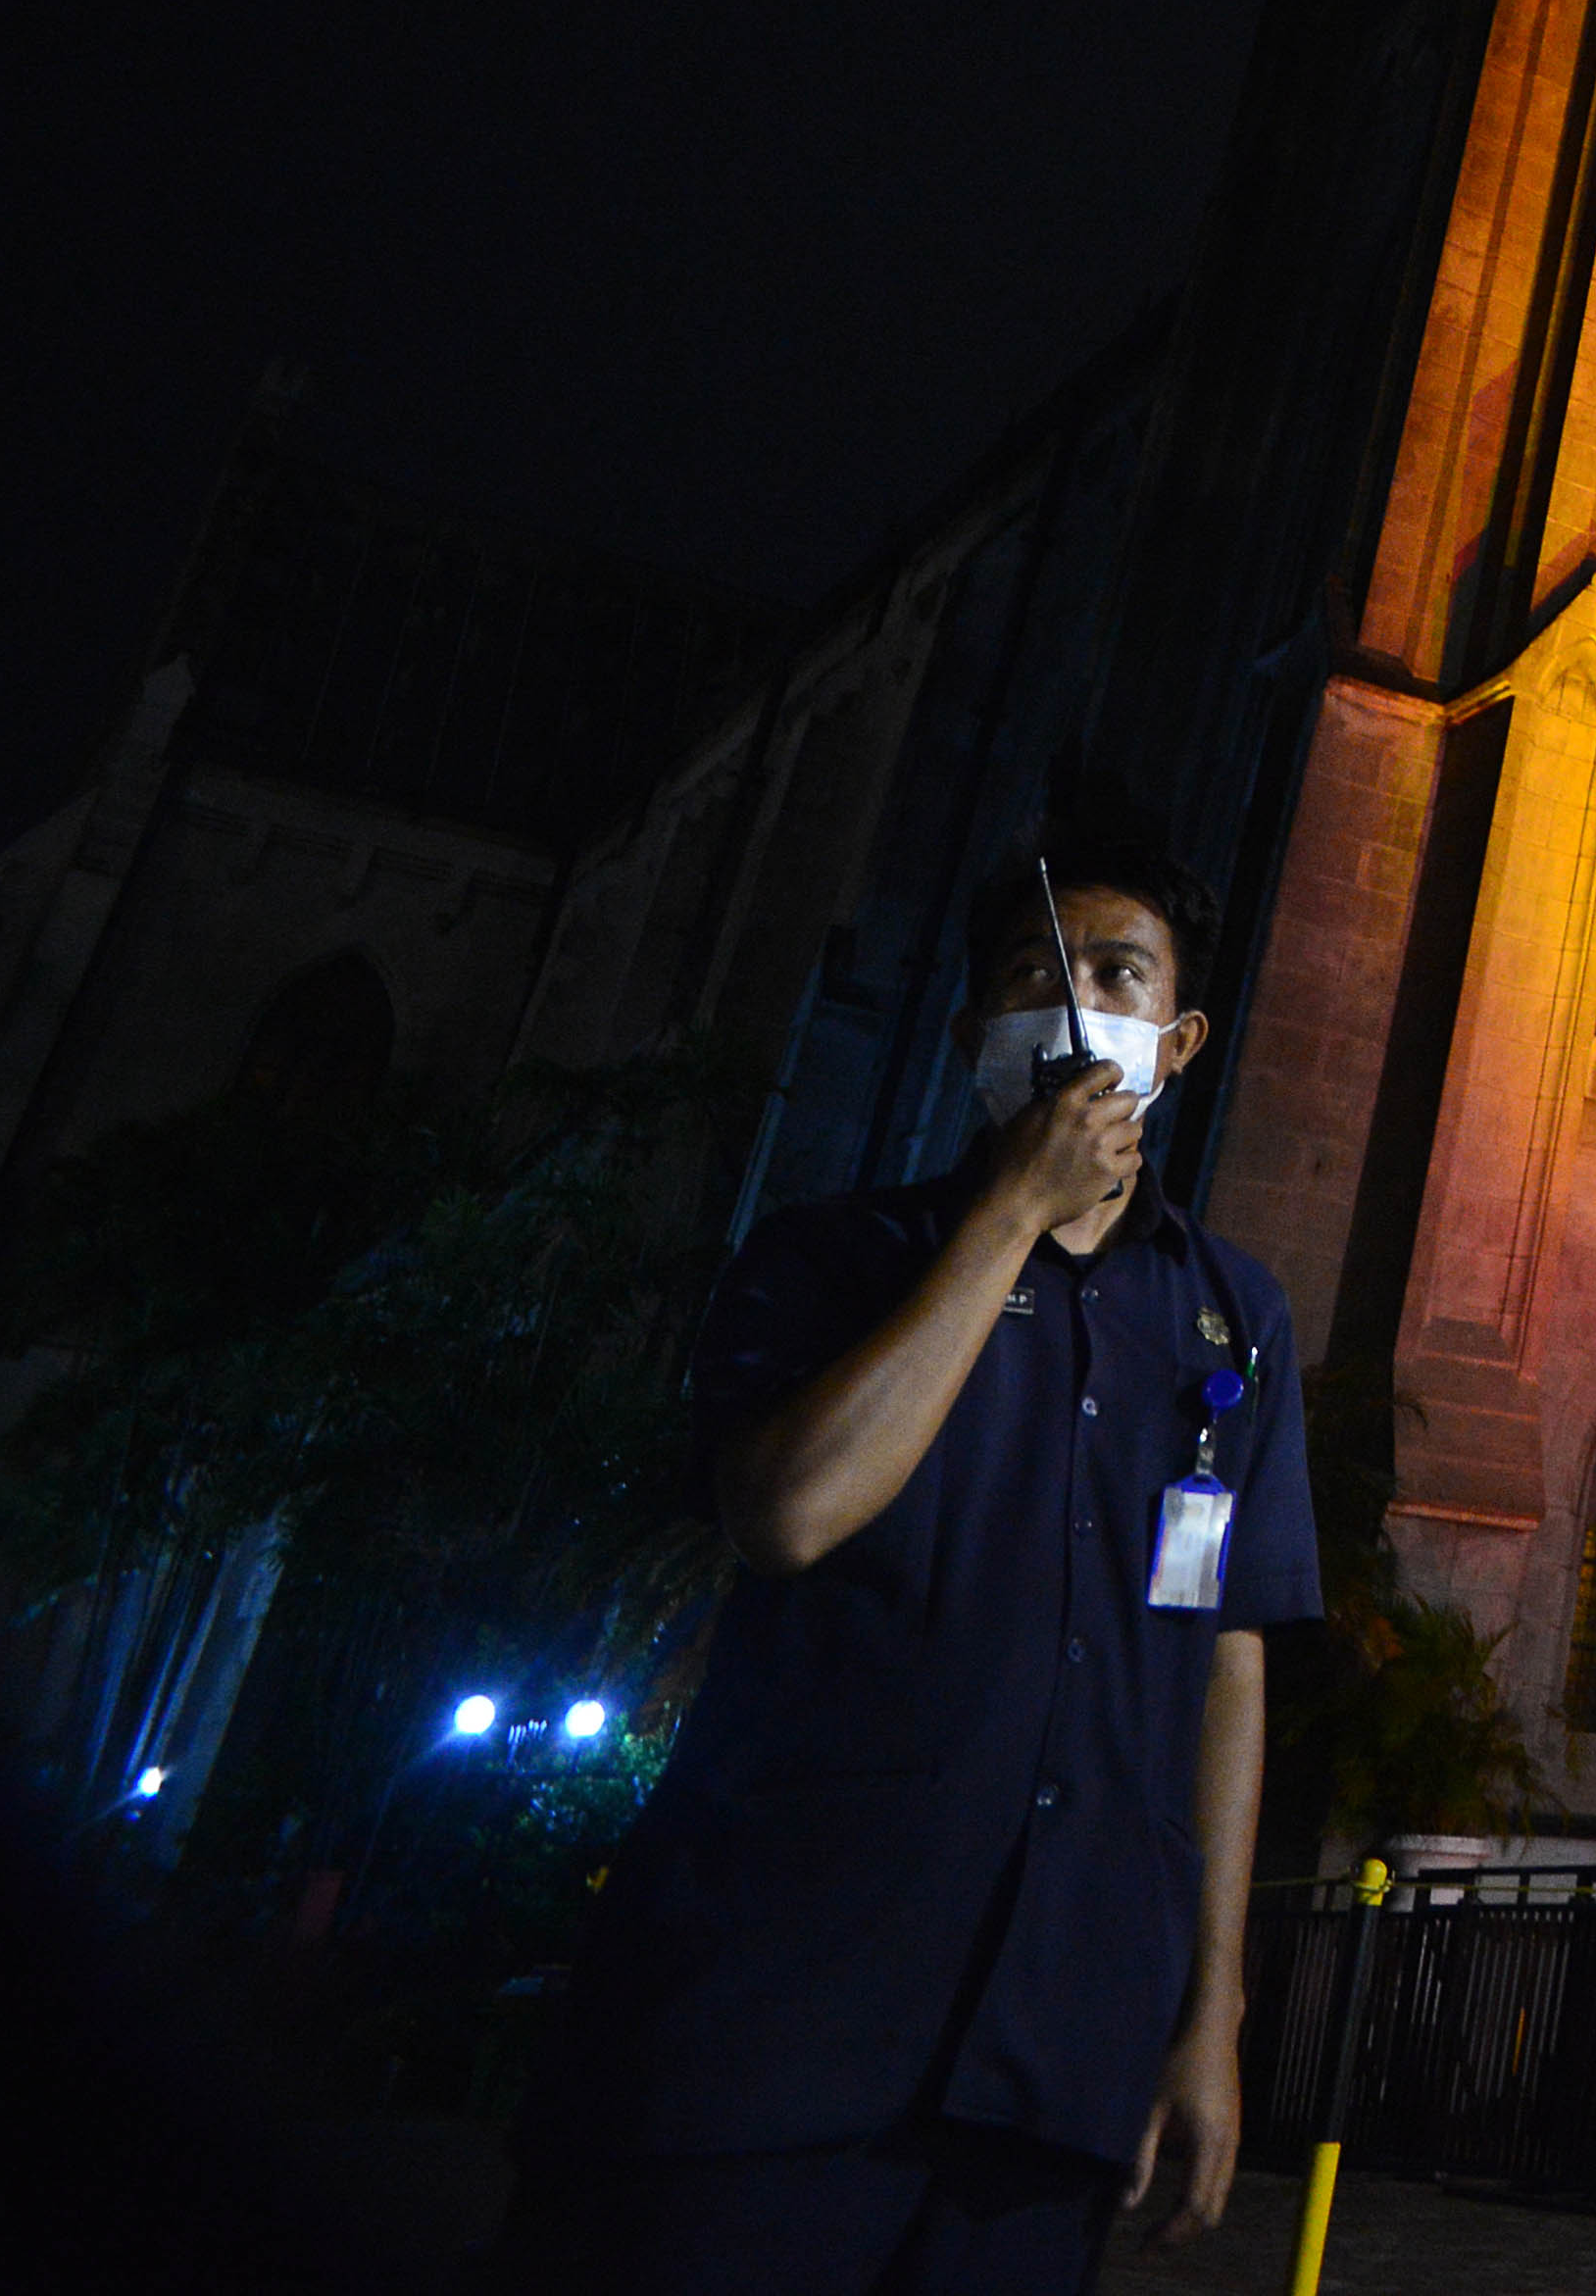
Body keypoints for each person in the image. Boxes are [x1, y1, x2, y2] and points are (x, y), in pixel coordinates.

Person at [503, 825, 1320, 2292]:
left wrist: (1212, 2016)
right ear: (967, 1035)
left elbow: (1227, 1666)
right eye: (1032, 976)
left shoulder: (1233, 1318)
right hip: (774, 2026)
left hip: (1056, 2055)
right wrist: (1011, 1211)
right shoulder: (828, 1260)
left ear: (1180, 1039)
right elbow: (790, 1514)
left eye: (1117, 975)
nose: (1073, 1006)